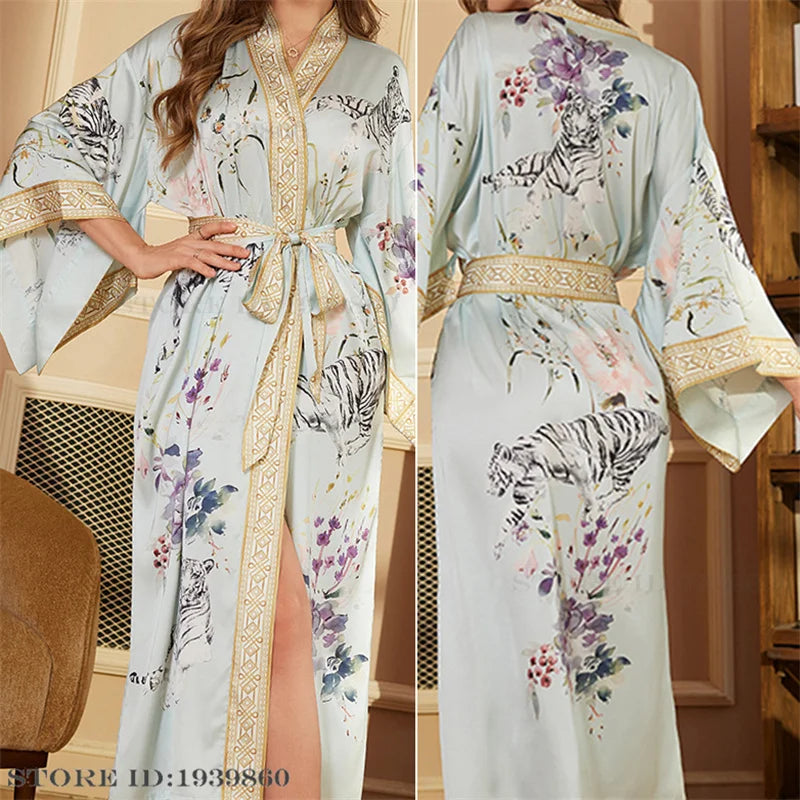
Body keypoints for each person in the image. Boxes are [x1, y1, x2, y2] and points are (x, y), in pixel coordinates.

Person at [0, 0, 415, 797]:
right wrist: (140, 252)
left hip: (335, 362)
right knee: (244, 605)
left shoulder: (380, 73)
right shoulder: (194, 46)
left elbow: (393, 239)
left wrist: (391, 384)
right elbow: (52, 143)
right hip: (216, 345)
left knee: (315, 627)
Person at [417, 0, 800, 797]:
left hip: (494, 371)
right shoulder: (668, 77)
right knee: (610, 646)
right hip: (615, 382)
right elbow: (699, 254)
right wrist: (784, 372)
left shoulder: (481, 44)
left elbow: (411, 216)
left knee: (509, 639)